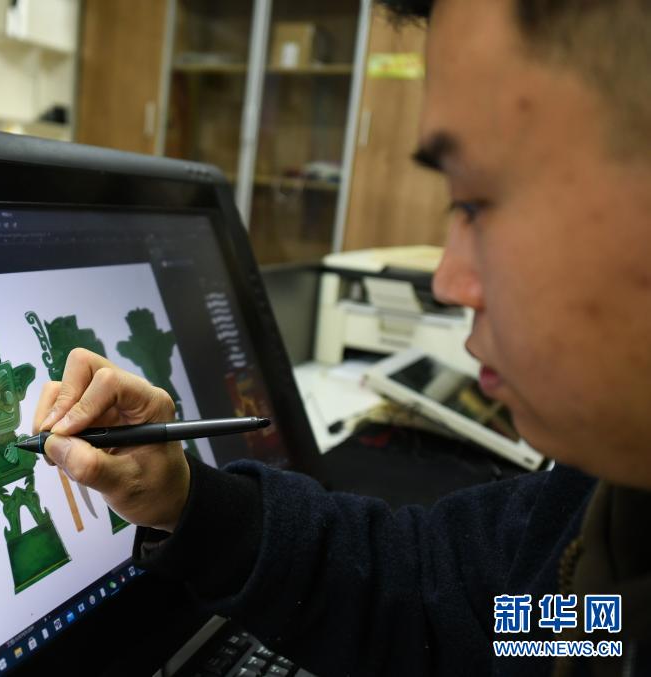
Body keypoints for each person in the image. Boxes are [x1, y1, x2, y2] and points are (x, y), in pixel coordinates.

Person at [32, 0, 651, 674]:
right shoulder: (607, 552)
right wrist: (185, 503)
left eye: (475, 202)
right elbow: (463, 608)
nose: (448, 281)